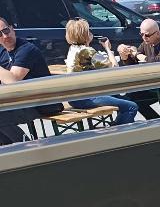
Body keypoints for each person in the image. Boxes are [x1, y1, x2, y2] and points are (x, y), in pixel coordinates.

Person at [0, 16, 64, 144]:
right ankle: (9, 151)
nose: (5, 36)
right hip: (20, 102)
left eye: (6, 31)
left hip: (43, 103)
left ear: (12, 29)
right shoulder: (3, 52)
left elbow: (13, 80)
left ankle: (26, 146)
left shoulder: (27, 49)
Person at [63, 18, 137, 126]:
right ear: (85, 35)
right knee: (131, 106)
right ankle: (117, 132)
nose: (91, 32)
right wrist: (107, 48)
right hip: (87, 99)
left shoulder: (73, 48)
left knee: (123, 98)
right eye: (89, 31)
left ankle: (117, 126)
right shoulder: (87, 51)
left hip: (75, 98)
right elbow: (114, 68)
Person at [119, 19, 160, 119]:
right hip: (156, 83)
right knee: (128, 98)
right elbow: (133, 63)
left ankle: (155, 121)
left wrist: (137, 54)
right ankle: (123, 123)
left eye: (147, 35)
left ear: (158, 33)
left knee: (135, 100)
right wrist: (124, 56)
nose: (144, 38)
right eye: (141, 34)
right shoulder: (145, 44)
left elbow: (157, 62)